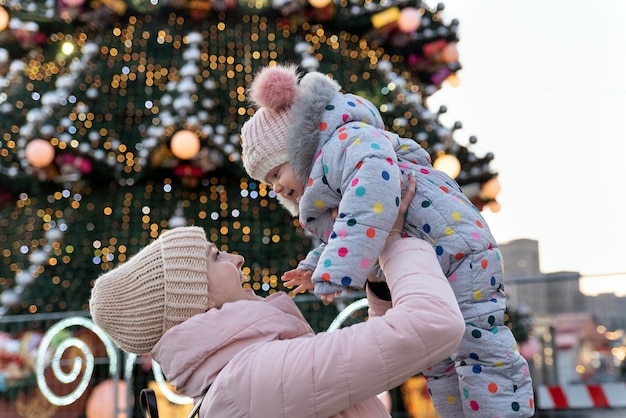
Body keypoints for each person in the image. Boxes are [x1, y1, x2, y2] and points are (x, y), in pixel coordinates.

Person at [239, 64, 535, 417]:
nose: (274, 187)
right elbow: (354, 224)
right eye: (266, 182)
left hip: (459, 251)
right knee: (439, 359)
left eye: (275, 172)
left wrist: (338, 267)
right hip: (432, 254)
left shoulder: (350, 142)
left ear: (298, 147)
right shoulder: (334, 176)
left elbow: (371, 202)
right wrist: (316, 263)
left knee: (480, 349)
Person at [89, 176, 466, 418]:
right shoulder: (253, 379)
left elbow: (373, 363)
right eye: (216, 256)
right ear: (194, 299)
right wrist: (392, 242)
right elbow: (432, 325)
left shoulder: (244, 376)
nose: (236, 258)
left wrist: (378, 276)